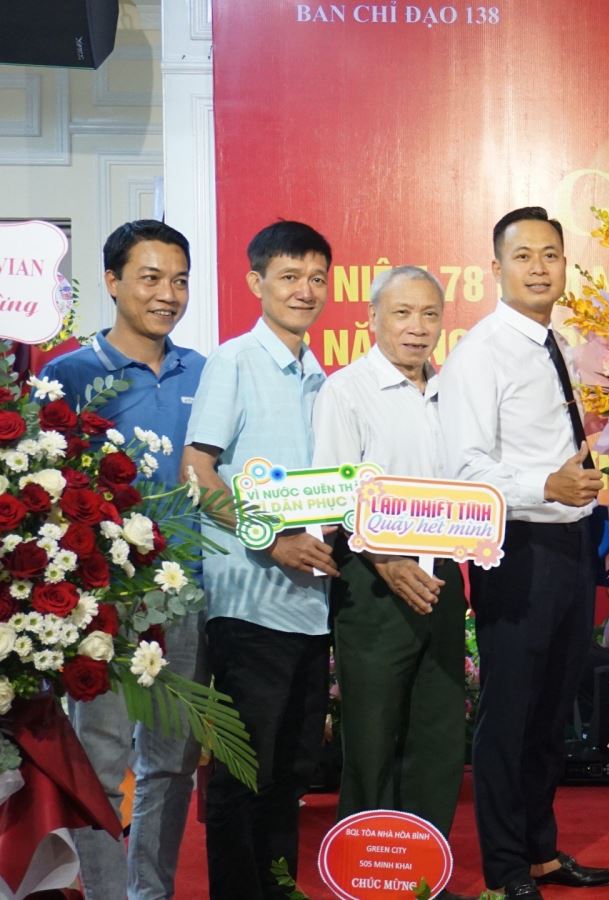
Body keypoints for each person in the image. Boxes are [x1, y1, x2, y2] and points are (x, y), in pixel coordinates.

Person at [437, 206, 609, 898]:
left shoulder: (557, 342)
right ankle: (507, 868)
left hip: (571, 540)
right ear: (496, 269)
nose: (539, 268)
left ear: (566, 264)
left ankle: (541, 853)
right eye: (523, 257)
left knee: (551, 707)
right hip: (514, 546)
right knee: (511, 711)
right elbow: (464, 467)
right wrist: (546, 485)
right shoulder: (481, 352)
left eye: (550, 255)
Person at [43, 220, 206, 900]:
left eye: (179, 281)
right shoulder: (69, 374)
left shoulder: (205, 373)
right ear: (112, 282)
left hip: (188, 597)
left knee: (171, 765)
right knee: (101, 764)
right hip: (103, 601)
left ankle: (150, 892)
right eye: (150, 278)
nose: (167, 294)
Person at [181, 221, 339, 899]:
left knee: (292, 770)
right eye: (289, 276)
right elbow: (197, 471)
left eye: (316, 278)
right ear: (256, 282)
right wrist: (271, 540)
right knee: (244, 772)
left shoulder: (320, 376)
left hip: (311, 606)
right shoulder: (235, 361)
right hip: (250, 603)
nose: (305, 291)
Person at [311, 267, 468, 882]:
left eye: (429, 314)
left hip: (443, 579)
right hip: (373, 584)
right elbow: (334, 493)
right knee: (372, 740)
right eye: (402, 313)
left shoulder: (453, 393)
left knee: (438, 737)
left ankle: (423, 879)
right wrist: (386, 559)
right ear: (372, 319)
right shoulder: (346, 391)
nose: (416, 328)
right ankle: (367, 880)